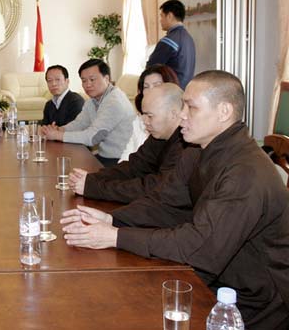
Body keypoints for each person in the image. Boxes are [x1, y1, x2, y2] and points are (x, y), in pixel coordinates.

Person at [60, 70, 289, 329]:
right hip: (217, 276)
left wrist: (115, 236)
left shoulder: (245, 172)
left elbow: (201, 246)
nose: (182, 115)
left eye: (191, 107)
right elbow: (165, 202)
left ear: (224, 112)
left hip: (256, 302)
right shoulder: (197, 150)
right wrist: (112, 219)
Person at [68, 83, 190, 206]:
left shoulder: (186, 145)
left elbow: (155, 188)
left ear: (173, 114)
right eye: (143, 115)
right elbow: (134, 167)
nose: (145, 121)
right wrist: (92, 178)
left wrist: (94, 188)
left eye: (150, 116)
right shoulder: (159, 136)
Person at [41, 59, 135, 167]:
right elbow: (80, 123)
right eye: (84, 81)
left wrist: (57, 135)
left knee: (68, 168)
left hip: (121, 161)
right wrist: (59, 129)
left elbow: (92, 137)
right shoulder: (93, 100)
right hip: (105, 156)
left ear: (107, 78)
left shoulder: (114, 101)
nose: (88, 85)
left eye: (92, 79)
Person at [118, 64, 179, 161]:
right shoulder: (139, 119)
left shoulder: (176, 128)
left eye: (157, 85)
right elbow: (128, 154)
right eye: (146, 87)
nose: (151, 91)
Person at [146, 0, 196, 89]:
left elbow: (150, 69)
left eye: (162, 16)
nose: (160, 20)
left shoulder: (168, 41)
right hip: (185, 90)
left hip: (171, 92)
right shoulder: (189, 38)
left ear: (169, 16)